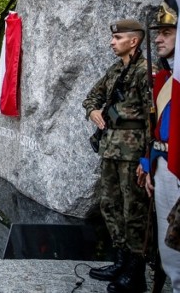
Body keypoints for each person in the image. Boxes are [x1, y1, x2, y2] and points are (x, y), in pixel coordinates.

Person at [82, 19, 150, 292]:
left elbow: (152, 120)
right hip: (110, 148)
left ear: (133, 41)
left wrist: (147, 158)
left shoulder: (146, 73)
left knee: (133, 210)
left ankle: (135, 271)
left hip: (133, 152)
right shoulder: (114, 71)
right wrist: (93, 112)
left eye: (118, 38)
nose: (112, 42)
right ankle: (120, 260)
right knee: (109, 205)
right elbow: (90, 98)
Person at [139, 0, 180, 292]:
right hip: (164, 166)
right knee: (170, 254)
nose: (160, 39)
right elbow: (156, 130)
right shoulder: (165, 79)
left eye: (167, 32)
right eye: (159, 33)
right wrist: (148, 161)